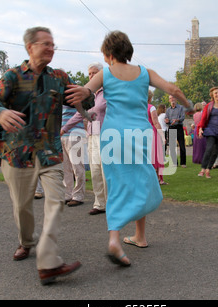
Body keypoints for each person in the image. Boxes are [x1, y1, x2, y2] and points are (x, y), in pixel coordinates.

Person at [65, 30, 190, 267]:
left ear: (109, 53)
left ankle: (116, 238)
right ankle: (140, 236)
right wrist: (189, 105)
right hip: (140, 135)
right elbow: (174, 90)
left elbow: (85, 93)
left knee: (117, 183)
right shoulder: (145, 73)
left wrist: (82, 103)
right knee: (141, 181)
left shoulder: (106, 73)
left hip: (113, 135)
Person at [0, 26, 94, 285]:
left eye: (53, 44)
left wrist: (85, 94)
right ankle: (26, 242)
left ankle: (47, 263)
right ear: (30, 47)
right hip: (18, 153)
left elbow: (79, 102)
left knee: (56, 203)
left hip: (49, 151)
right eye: (45, 44)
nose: (51, 48)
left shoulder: (59, 77)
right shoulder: (12, 76)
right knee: (22, 207)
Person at [61, 62, 107, 215]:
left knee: (106, 171)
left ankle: (111, 204)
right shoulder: (90, 95)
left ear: (101, 74)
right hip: (92, 135)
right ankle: (100, 204)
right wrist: (64, 128)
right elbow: (80, 113)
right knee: (94, 171)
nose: (92, 76)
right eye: (90, 74)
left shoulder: (109, 92)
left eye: (95, 73)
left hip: (107, 135)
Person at [60, 103, 87, 207]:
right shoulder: (60, 94)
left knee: (77, 166)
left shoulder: (74, 92)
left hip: (75, 133)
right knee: (65, 167)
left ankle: (78, 196)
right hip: (62, 134)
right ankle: (67, 194)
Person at [147, 90, 166, 185]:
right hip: (152, 133)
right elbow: (156, 122)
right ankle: (160, 179)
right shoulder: (151, 107)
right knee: (157, 155)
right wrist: (162, 136)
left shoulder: (138, 108)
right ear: (150, 98)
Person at [165, 95, 187, 168]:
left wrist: (176, 120)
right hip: (171, 127)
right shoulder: (168, 110)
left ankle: (183, 163)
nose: (172, 99)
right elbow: (166, 119)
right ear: (169, 100)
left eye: (173, 98)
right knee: (172, 146)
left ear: (176, 99)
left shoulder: (181, 108)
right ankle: (174, 163)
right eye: (170, 98)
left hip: (179, 127)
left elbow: (182, 117)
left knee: (182, 145)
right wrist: (166, 121)